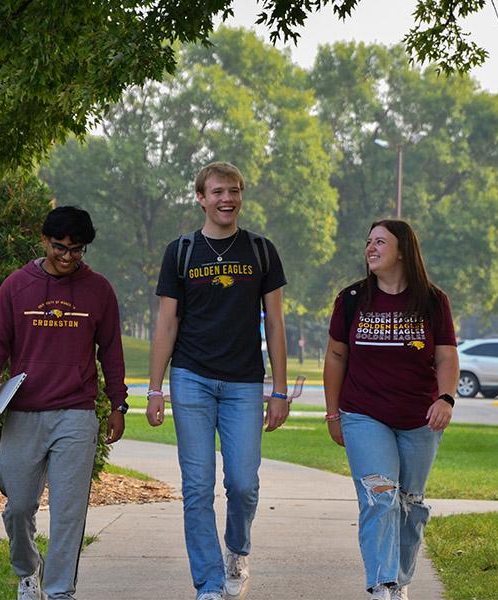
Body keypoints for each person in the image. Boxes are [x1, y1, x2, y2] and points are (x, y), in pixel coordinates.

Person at [146, 162, 289, 600]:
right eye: (218, 191)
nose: (227, 198)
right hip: (191, 378)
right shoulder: (182, 251)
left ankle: (238, 551)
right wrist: (155, 387)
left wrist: (279, 390)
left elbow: (277, 323)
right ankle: (208, 583)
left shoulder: (261, 251)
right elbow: (166, 322)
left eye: (234, 191)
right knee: (197, 485)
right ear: (201, 198)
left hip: (245, 382)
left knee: (243, 483)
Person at [0, 206, 128, 600]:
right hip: (24, 413)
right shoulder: (16, 286)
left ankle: (60, 591)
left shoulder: (99, 291)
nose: (68, 256)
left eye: (78, 250)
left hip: (76, 413)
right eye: (61, 247)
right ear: (44, 240)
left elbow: (111, 350)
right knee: (18, 506)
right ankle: (28, 571)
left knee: (68, 513)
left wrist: (118, 404)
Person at [323, 219, 458, 600]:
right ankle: (382, 585)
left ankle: (398, 579)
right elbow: (335, 357)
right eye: (368, 242)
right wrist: (333, 413)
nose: (371, 248)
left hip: (419, 418)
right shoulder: (351, 300)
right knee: (379, 496)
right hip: (363, 414)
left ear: (403, 250)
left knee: (409, 503)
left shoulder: (432, 301)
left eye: (380, 242)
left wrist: (445, 398)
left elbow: (446, 357)